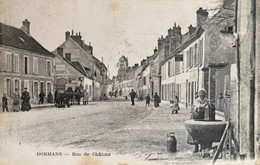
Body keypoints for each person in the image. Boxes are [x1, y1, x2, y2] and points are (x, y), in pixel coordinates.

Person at [187, 89, 209, 153]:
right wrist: (205, 105)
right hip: (196, 116)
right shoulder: (197, 100)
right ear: (199, 95)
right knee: (195, 132)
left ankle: (202, 147)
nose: (202, 96)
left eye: (203, 95)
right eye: (201, 95)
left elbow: (208, 104)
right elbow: (199, 106)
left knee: (203, 132)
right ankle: (196, 147)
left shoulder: (206, 100)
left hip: (203, 116)